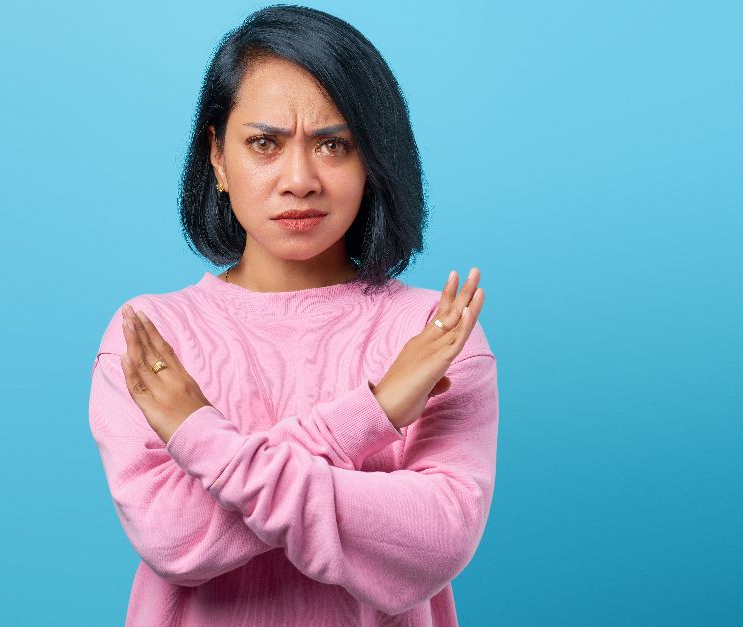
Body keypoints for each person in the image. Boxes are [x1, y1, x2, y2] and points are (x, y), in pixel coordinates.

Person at [88, 5, 498, 625]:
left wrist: (202, 440)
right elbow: (174, 539)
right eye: (264, 143)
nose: (299, 179)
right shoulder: (152, 337)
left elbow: (433, 544)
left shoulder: (434, 336)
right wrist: (374, 413)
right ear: (219, 159)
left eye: (333, 145)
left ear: (372, 162)